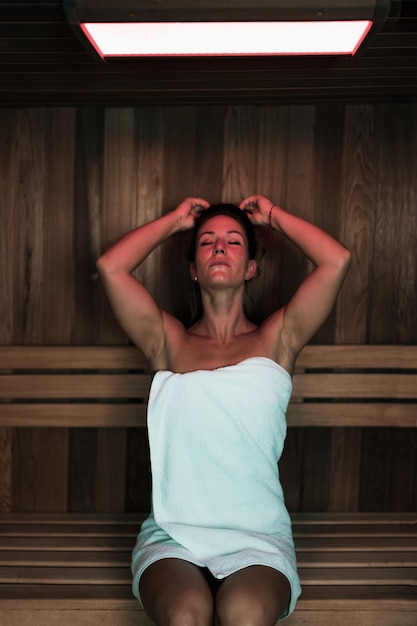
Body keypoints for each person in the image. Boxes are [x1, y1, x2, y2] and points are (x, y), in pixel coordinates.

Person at [96, 194, 351, 625]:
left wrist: (272, 217)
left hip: (257, 535)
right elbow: (110, 268)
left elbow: (337, 261)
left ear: (251, 267)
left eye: (234, 242)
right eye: (206, 241)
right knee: (184, 615)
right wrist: (176, 220)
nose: (219, 247)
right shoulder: (167, 341)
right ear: (193, 269)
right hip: (175, 532)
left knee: (244, 614)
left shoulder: (278, 338)